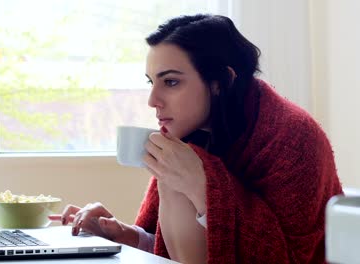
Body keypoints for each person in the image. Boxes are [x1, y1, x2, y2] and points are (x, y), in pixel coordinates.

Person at [49, 14, 342, 263]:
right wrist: (120, 234)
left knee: (178, 167)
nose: (153, 100)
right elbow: (173, 248)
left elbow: (290, 257)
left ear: (221, 82)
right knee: (173, 168)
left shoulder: (293, 139)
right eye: (152, 83)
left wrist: (203, 185)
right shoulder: (189, 137)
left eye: (171, 82)